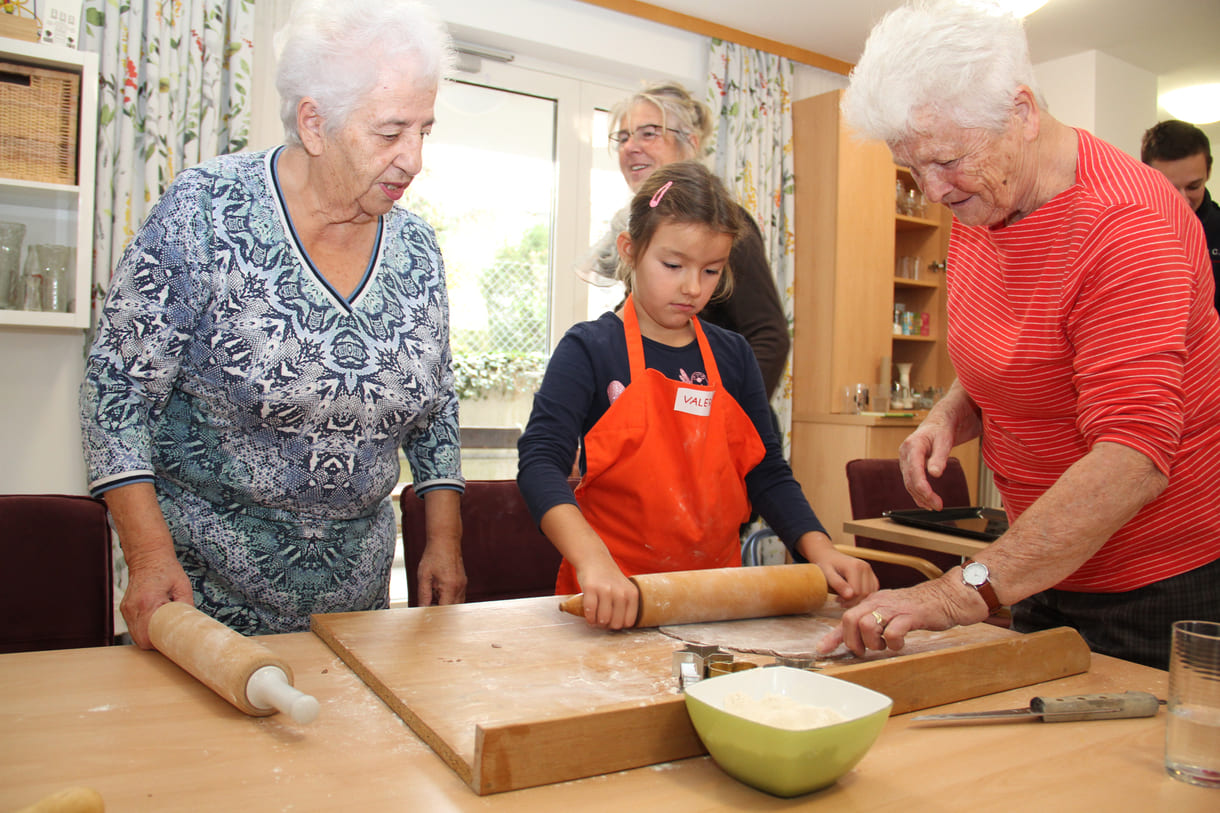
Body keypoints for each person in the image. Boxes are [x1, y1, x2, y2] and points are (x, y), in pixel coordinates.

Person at [819, 0, 1220, 670]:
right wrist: (953, 409)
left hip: (1158, 583)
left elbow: (1133, 457)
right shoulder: (981, 194)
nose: (933, 189)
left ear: (1024, 114)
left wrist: (957, 590)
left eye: (945, 161)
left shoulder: (1128, 225)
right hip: (1039, 561)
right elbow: (1029, 340)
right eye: (911, 167)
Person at [79, 0, 467, 648]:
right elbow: (115, 392)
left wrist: (444, 541)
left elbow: (437, 405)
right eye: (391, 131)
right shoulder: (205, 210)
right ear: (314, 123)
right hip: (203, 616)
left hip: (357, 620)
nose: (414, 158)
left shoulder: (418, 249)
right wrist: (146, 556)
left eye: (424, 129)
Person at [518, 161, 877, 630]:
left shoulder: (732, 356)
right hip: (613, 594)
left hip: (716, 598)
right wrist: (593, 561)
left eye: (711, 270)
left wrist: (819, 547)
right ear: (630, 250)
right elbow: (540, 461)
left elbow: (765, 470)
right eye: (673, 265)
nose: (693, 287)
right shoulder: (590, 349)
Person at [577, 82, 791, 400]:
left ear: (689, 144)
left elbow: (768, 336)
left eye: (648, 133)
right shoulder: (632, 227)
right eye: (623, 137)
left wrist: (721, 418)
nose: (630, 146)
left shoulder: (721, 224)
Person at [1141, 119, 1220, 313]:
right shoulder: (1130, 233)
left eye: (1193, 186)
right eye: (1171, 188)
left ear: (1208, 171)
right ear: (1145, 175)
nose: (1183, 200)